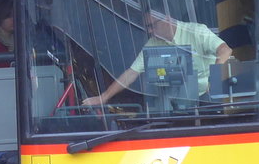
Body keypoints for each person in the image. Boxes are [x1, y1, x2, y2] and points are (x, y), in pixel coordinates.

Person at [82, 9, 232, 107]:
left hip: (210, 98)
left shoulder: (197, 31)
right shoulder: (152, 44)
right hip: (179, 102)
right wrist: (103, 97)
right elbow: (131, 73)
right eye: (147, 27)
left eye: (153, 26)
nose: (150, 31)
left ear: (167, 18)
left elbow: (225, 51)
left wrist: (214, 77)